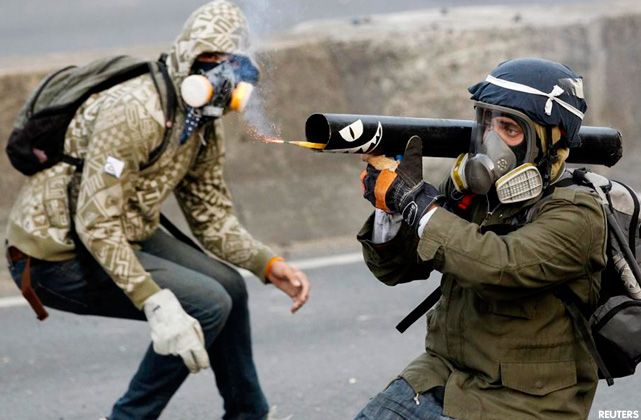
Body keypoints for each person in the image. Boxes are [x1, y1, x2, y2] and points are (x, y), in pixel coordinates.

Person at [4, 1, 310, 419]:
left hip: (126, 231)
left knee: (231, 288)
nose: (223, 74)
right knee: (206, 304)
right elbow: (96, 223)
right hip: (55, 253)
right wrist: (155, 302)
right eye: (211, 58)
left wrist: (266, 263)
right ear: (187, 57)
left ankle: (248, 414)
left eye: (232, 60)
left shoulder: (202, 120)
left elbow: (210, 215)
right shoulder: (134, 110)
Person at [355, 58, 606, 419]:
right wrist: (390, 208)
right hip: (442, 373)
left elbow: (500, 265)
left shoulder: (577, 213)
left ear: (548, 141)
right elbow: (396, 270)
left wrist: (416, 204)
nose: (491, 139)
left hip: (522, 401)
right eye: (487, 121)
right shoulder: (474, 192)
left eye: (509, 128)